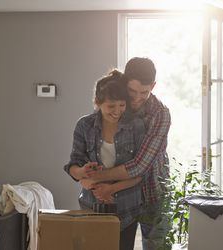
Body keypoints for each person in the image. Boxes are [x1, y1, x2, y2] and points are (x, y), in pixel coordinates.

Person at [80, 57, 171, 250]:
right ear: (125, 82)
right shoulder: (116, 104)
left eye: (144, 92)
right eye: (132, 91)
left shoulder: (160, 114)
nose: (137, 98)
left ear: (153, 86)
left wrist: (95, 178)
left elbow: (140, 166)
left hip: (153, 193)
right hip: (121, 197)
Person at [63, 69, 147, 250]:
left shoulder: (136, 126)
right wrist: (82, 173)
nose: (117, 111)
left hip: (127, 208)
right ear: (97, 103)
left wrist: (111, 188)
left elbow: (140, 172)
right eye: (111, 106)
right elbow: (72, 165)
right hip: (92, 208)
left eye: (122, 105)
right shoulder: (84, 126)